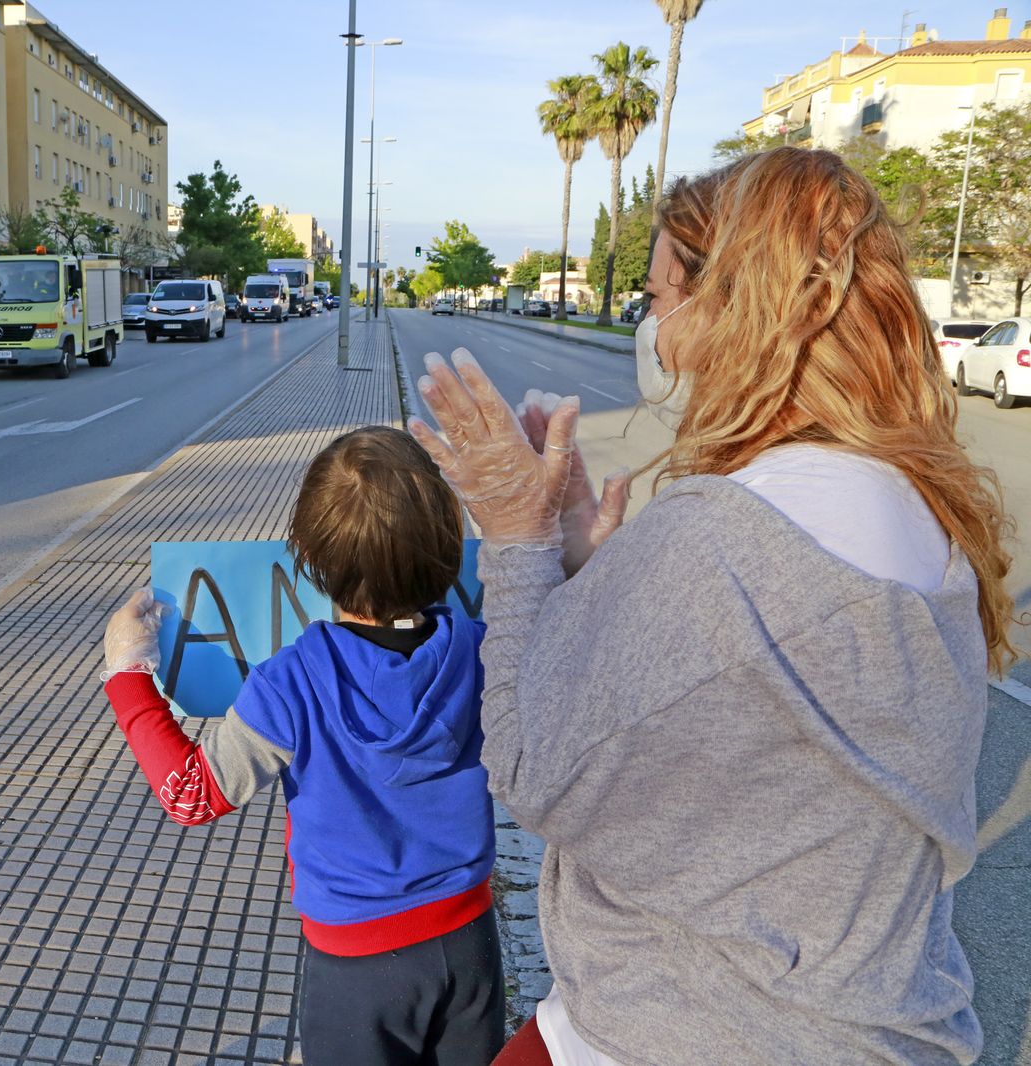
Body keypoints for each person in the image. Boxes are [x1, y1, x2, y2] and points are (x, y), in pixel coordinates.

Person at [409, 147, 1018, 1066]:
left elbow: (533, 763)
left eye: (657, 300)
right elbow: (732, 712)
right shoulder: (914, 504)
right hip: (873, 1020)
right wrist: (595, 576)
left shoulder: (723, 535)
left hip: (687, 1027)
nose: (653, 334)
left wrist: (519, 541)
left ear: (736, 309)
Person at [101, 426, 505, 1066]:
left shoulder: (291, 683)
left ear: (310, 560)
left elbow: (190, 795)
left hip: (355, 961)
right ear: (447, 545)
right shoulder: (484, 652)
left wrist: (127, 677)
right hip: (470, 941)